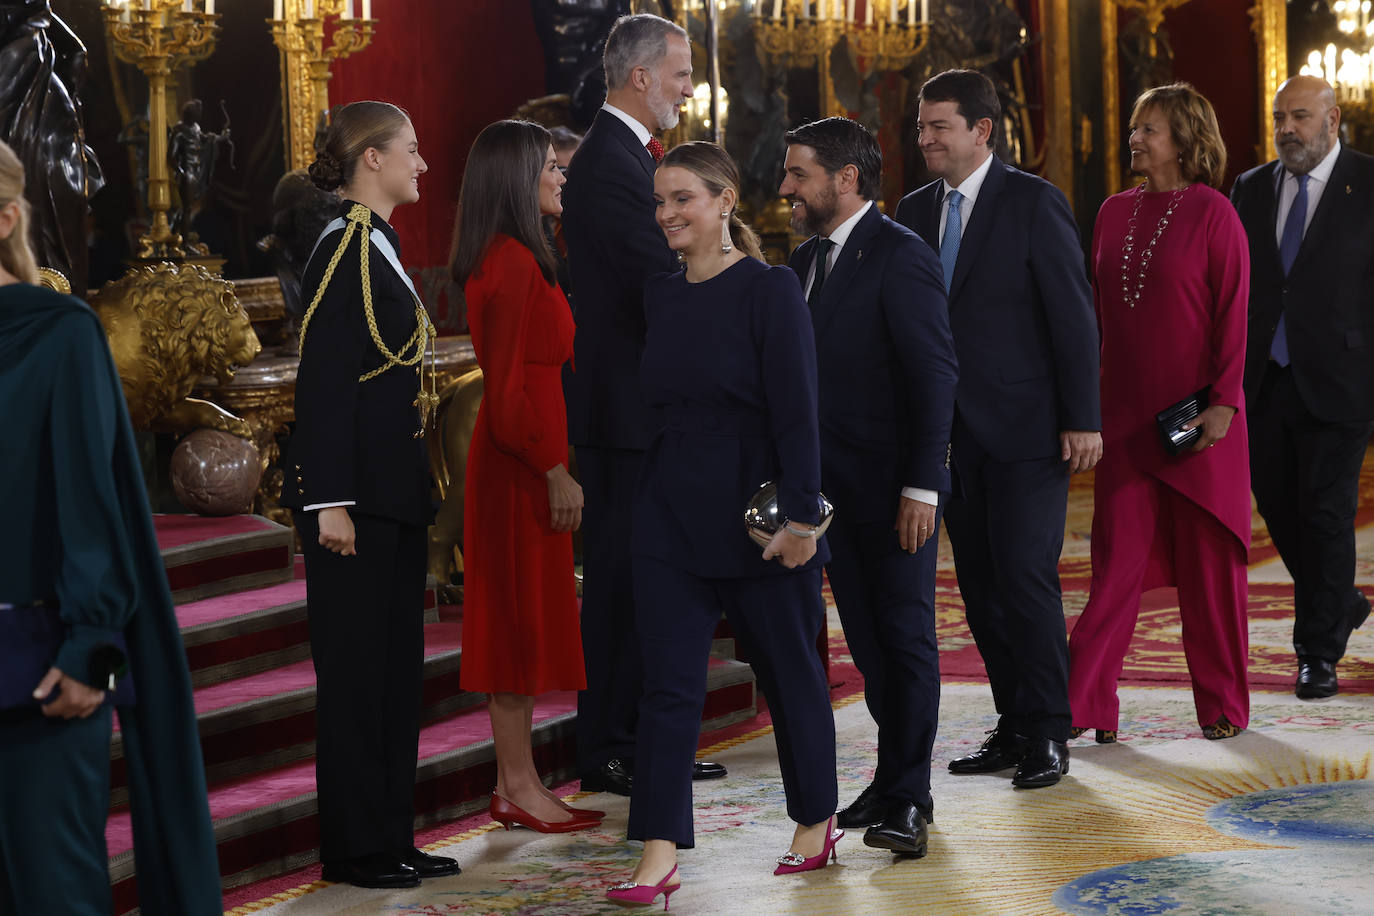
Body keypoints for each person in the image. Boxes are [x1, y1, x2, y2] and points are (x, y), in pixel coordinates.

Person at [606, 141, 839, 908]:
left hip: (756, 516)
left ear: (725, 201)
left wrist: (803, 518)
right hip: (668, 512)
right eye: (661, 202)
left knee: (788, 672)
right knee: (667, 688)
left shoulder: (771, 290)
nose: (668, 215)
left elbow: (799, 414)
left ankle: (815, 819)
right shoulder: (660, 293)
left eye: (683, 199)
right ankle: (659, 850)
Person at [0, 138, 221, 915]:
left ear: (4, 217)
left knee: (54, 895)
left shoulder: (60, 335)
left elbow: (93, 505)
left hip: (38, 676)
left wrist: (91, 647)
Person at [893, 69, 1101, 789]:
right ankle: (1013, 724)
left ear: (982, 131)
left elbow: (1073, 318)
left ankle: (1049, 730)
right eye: (921, 127)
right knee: (978, 588)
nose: (925, 140)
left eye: (938, 126)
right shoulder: (912, 210)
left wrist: (1083, 417)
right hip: (945, 438)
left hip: (1027, 429)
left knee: (1024, 577)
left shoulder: (1035, 202)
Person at [278, 101, 460, 889]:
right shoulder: (343, 245)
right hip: (356, 503)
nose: (423, 165)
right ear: (372, 160)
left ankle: (391, 833)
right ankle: (355, 847)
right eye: (411, 151)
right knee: (357, 680)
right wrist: (329, 502)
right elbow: (323, 386)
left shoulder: (376, 242)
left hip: (393, 495)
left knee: (393, 678)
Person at [781, 117, 957, 856]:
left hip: (894, 494)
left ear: (845, 179)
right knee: (871, 645)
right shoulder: (800, 263)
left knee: (906, 637)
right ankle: (890, 778)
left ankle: (910, 798)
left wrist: (923, 486)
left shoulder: (900, 255)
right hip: (831, 498)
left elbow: (934, 374)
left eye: (799, 175)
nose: (786, 188)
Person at [561, 12, 725, 795]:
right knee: (623, 588)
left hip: (644, 409)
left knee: (653, 582)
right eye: (681, 75)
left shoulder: (633, 158)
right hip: (619, 416)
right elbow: (650, 274)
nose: (689, 89)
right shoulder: (606, 166)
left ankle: (644, 739)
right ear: (639, 78)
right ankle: (610, 748)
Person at [1067, 83, 1252, 741]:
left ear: (1184, 138)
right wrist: (1082, 403)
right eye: (1135, 126)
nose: (1135, 138)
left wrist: (1225, 406)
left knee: (1209, 574)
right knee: (1113, 570)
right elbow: (1096, 319)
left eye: (1149, 129)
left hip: (1199, 420)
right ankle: (1083, 708)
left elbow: (1233, 317)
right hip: (1123, 419)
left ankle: (1224, 707)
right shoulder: (1113, 211)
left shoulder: (1215, 213)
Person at [450, 119, 602, 834]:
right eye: (549, 166)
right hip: (519, 474)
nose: (561, 176)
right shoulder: (509, 262)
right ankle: (515, 785)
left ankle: (523, 783)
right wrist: (555, 472)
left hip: (525, 470)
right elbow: (506, 398)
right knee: (514, 632)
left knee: (527, 627)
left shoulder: (518, 255)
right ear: (517, 179)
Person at [1232, 75, 1374, 700]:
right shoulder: (1251, 186)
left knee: (1325, 512)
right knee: (1279, 506)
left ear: (1333, 119)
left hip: (1342, 381)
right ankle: (1340, 600)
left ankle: (1317, 651)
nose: (1287, 129)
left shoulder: (1369, 183)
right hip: (1265, 379)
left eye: (1300, 117)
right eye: (1279, 117)